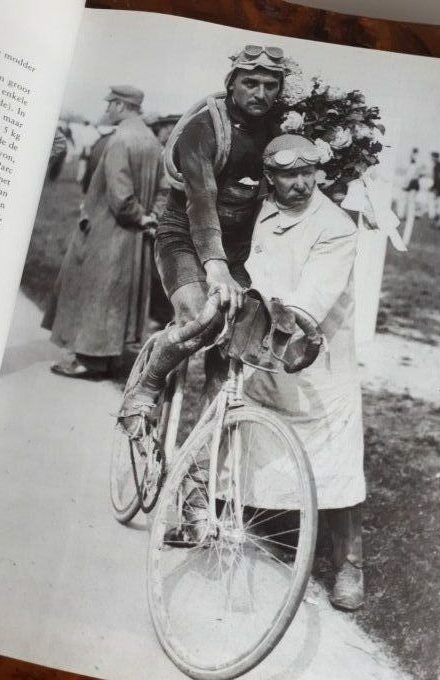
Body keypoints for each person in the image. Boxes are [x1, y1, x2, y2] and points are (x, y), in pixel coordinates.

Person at [120, 45, 289, 422]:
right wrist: (215, 266)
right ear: (231, 84)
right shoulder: (203, 129)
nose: (260, 93)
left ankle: (202, 456)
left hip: (239, 250)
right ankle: (147, 384)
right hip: (183, 235)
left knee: (239, 340)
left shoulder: (280, 132)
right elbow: (201, 199)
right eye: (250, 82)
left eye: (270, 84)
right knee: (202, 317)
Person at [242, 134, 365, 611]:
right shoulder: (259, 211)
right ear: (270, 178)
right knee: (251, 435)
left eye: (307, 174)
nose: (300, 184)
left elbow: (314, 294)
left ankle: (349, 565)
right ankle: (227, 518)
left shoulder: (335, 226)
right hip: (266, 349)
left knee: (336, 466)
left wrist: (286, 318)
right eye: (289, 175)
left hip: (317, 358)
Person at [43, 85, 167, 378]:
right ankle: (110, 360)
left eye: (110, 105)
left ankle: (89, 361)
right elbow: (164, 188)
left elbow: (121, 197)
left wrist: (137, 215)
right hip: (136, 235)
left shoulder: (119, 140)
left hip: (110, 230)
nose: (107, 110)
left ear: (121, 106)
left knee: (98, 292)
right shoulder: (151, 140)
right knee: (119, 295)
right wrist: (151, 218)